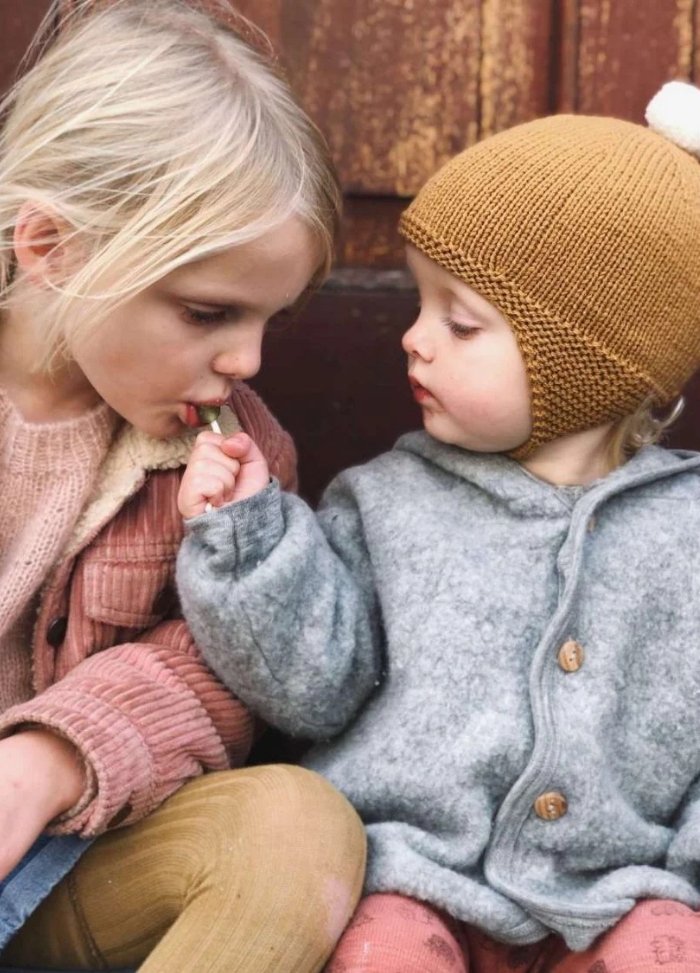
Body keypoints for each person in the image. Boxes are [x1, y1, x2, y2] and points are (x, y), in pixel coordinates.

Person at [177, 80, 700, 972]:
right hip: (409, 879)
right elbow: (312, 690)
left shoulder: (685, 534)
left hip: (618, 894)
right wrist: (248, 542)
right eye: (421, 307)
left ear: (596, 369)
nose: (414, 338)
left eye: (461, 323)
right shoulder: (386, 502)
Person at [0, 1, 366, 970]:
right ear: (52, 247)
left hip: (61, 861)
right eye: (207, 313)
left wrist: (48, 759)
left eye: (268, 320)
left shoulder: (233, 459)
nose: (246, 360)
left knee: (296, 827)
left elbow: (214, 675)